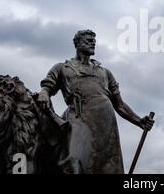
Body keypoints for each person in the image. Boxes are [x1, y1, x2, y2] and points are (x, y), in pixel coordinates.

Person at [37, 29, 154, 173]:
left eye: (94, 41)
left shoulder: (104, 72)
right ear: (78, 44)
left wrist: (139, 121)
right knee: (73, 162)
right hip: (78, 121)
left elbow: (120, 105)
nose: (93, 43)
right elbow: (47, 86)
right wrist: (44, 93)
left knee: (108, 168)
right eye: (89, 41)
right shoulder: (62, 68)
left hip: (106, 125)